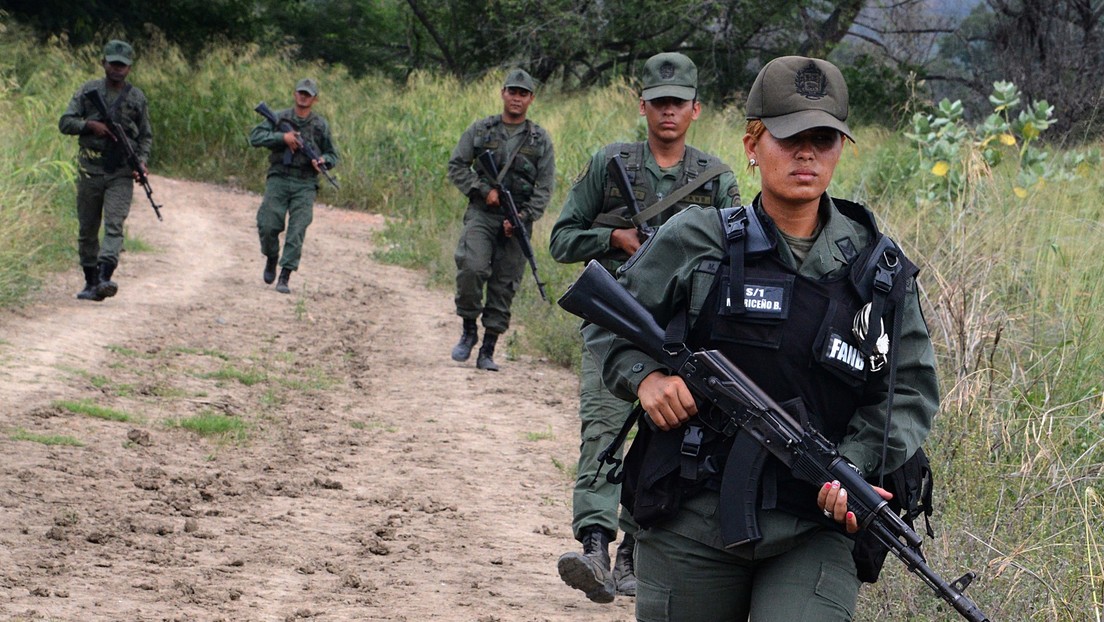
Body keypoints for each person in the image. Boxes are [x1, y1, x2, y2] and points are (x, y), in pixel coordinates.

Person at [581, 56, 939, 621]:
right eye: (790, 136)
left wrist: (851, 466)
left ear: (840, 149)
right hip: (691, 516)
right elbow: (605, 321)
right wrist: (645, 377)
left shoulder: (878, 270)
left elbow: (911, 391)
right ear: (752, 142)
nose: (806, 154)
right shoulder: (698, 239)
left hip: (813, 526)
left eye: (823, 139)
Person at [549, 52, 740, 604]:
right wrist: (614, 241)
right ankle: (594, 545)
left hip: (681, 335)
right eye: (658, 103)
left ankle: (635, 551)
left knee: (665, 436)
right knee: (604, 430)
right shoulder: (611, 165)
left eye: (678, 103)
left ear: (695, 109)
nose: (668, 113)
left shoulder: (715, 179)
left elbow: (736, 255)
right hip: (613, 327)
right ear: (643, 107)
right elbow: (562, 239)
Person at [447, 69, 556, 371]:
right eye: (512, 91)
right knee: (471, 266)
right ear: (503, 93)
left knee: (504, 284)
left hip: (517, 219)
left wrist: (522, 217)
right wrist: (482, 190)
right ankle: (469, 329)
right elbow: (457, 165)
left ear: (531, 98)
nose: (516, 98)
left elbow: (545, 187)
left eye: (523, 93)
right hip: (483, 213)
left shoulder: (539, 139)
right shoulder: (482, 130)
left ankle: (488, 349)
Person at [58, 39, 153, 302]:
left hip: (120, 170)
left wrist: (141, 161)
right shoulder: (88, 90)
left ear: (129, 68)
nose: (117, 69)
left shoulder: (136, 98)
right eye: (113, 64)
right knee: (88, 228)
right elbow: (65, 122)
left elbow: (145, 136)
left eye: (122, 65)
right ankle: (90, 281)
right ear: (103, 63)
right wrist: (90, 125)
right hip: (90, 167)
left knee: (114, 224)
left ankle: (104, 277)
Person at [249, 77, 339, 295]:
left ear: (314, 99)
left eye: (308, 94)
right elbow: (255, 136)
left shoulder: (319, 125)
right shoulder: (280, 117)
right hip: (279, 177)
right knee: (268, 224)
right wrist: (283, 138)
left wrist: (322, 161)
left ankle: (285, 275)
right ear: (294, 94)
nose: (303, 97)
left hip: (305, 182)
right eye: (300, 92)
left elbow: (332, 154)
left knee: (297, 229)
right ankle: (272, 257)